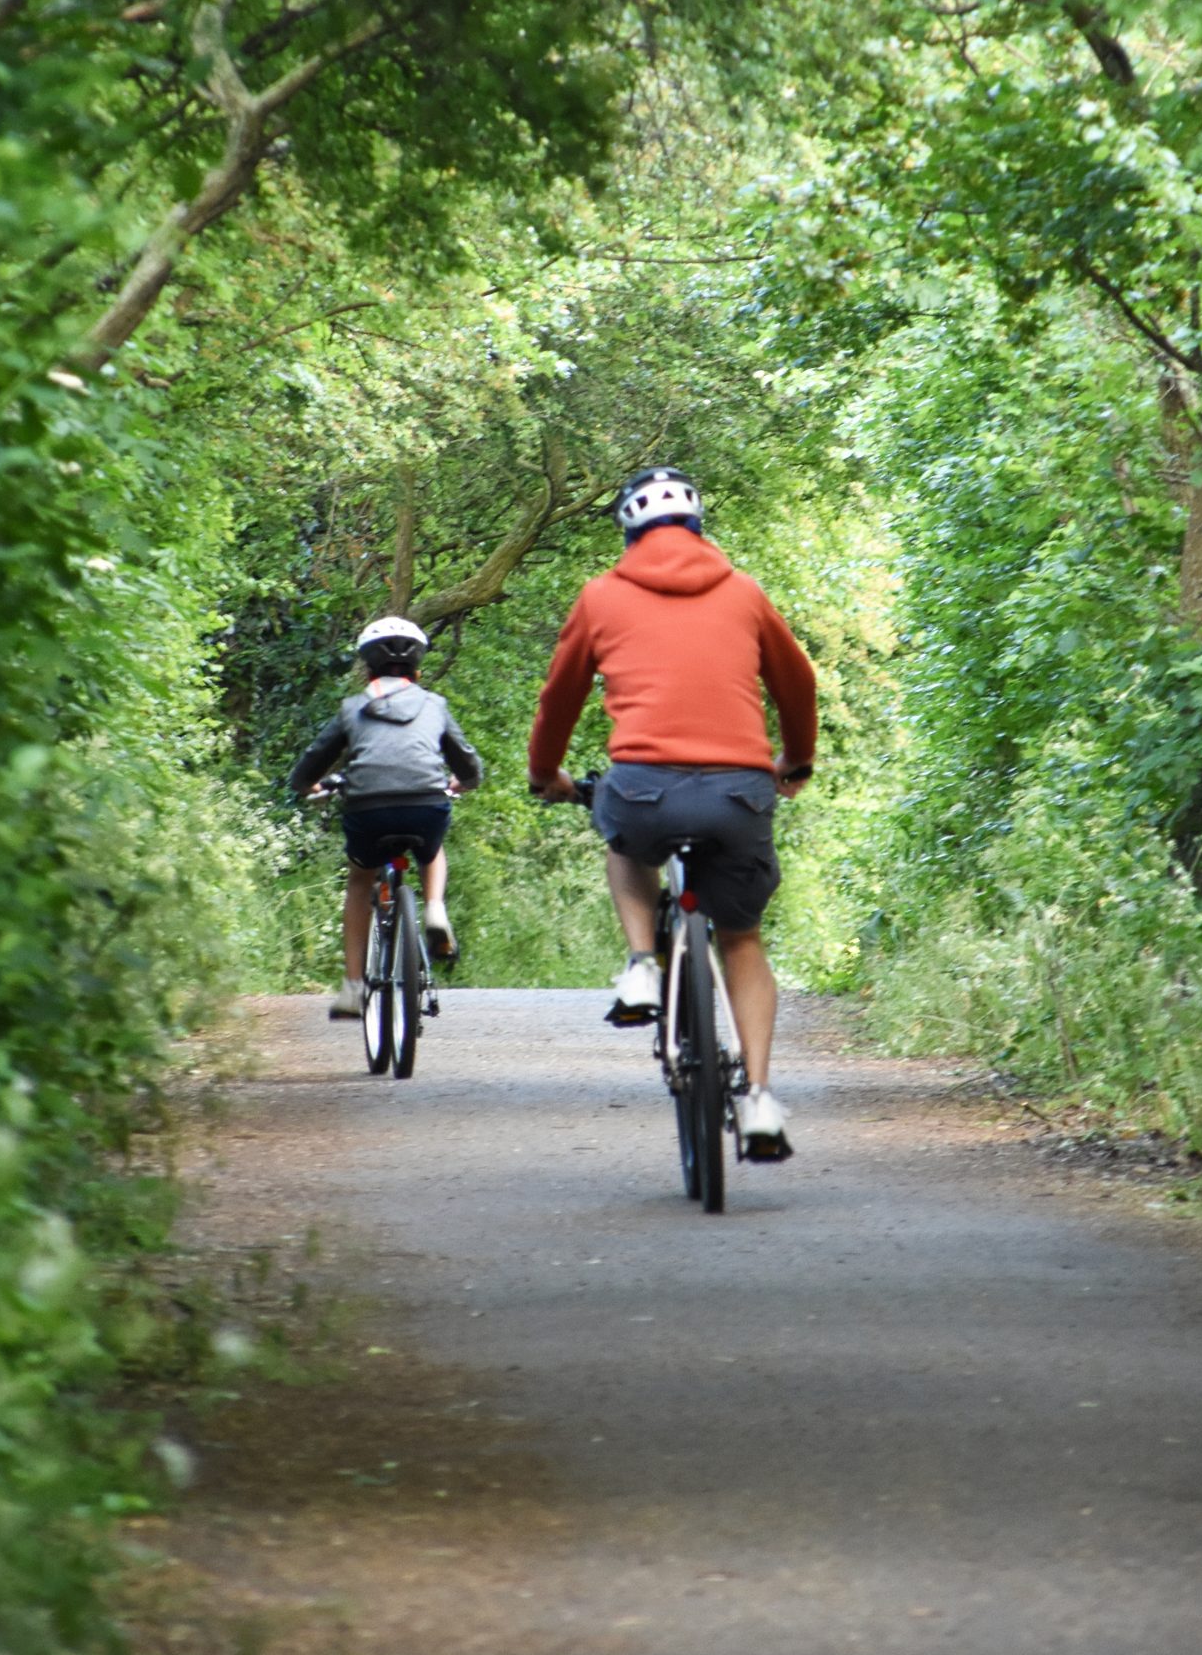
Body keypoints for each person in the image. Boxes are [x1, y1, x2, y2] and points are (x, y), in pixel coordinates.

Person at [527, 467, 816, 1160]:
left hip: (643, 787)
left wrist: (546, 775)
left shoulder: (600, 596)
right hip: (739, 789)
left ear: (628, 529)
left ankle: (639, 965)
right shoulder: (743, 591)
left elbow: (559, 696)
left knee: (622, 840)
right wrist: (795, 762)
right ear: (698, 527)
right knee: (741, 939)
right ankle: (760, 1103)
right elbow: (796, 680)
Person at [290, 616, 483, 1019]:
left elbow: (310, 766)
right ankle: (434, 909)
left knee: (360, 883)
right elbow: (467, 764)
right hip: (425, 806)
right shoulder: (435, 705)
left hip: (368, 811)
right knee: (431, 848)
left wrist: (311, 787)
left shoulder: (352, 709)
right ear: (417, 669)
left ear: (367, 667)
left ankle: (353, 987)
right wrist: (462, 782)